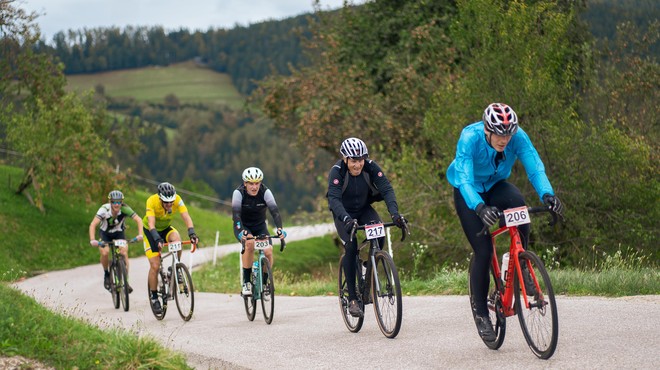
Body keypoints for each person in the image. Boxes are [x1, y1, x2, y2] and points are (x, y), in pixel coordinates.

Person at [446, 103, 565, 341]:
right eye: (499, 133)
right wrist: (479, 207)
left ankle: (520, 261)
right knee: (483, 249)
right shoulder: (470, 138)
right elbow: (465, 180)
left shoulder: (518, 137)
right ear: (487, 130)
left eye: (508, 133)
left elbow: (535, 167)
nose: (504, 139)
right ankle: (481, 313)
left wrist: (548, 195)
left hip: (496, 186)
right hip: (468, 192)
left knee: (519, 205)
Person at [327, 137, 406, 318]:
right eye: (354, 161)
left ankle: (369, 270)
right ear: (345, 159)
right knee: (351, 246)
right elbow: (334, 200)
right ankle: (354, 299)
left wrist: (394, 214)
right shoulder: (337, 172)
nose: (357, 165)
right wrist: (346, 218)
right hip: (343, 213)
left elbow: (386, 189)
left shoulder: (371, 167)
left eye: (361, 160)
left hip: (363, 209)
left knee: (379, 237)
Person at [143, 182, 200, 314]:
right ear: (160, 198)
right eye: (166, 202)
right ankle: (154, 297)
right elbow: (151, 223)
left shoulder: (177, 200)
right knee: (155, 266)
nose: (169, 205)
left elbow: (186, 216)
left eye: (171, 202)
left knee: (177, 240)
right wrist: (157, 238)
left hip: (166, 229)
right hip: (150, 232)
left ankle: (175, 267)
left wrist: (191, 232)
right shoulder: (151, 201)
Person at [232, 167, 286, 296]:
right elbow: (236, 216)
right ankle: (246, 282)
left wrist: (279, 229)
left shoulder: (265, 192)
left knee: (268, 251)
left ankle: (265, 281)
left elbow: (275, 212)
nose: (254, 187)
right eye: (251, 183)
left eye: (257, 183)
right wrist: (241, 232)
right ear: (245, 183)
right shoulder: (238, 193)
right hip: (243, 226)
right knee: (250, 244)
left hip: (260, 225)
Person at [89, 190, 143, 293]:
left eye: (119, 202)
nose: (116, 204)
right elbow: (93, 224)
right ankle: (106, 273)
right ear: (110, 202)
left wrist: (140, 234)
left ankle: (126, 281)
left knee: (123, 252)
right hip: (105, 234)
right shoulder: (104, 209)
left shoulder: (125, 209)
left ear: (121, 202)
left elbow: (139, 220)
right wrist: (92, 239)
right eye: (114, 202)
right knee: (105, 252)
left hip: (119, 233)